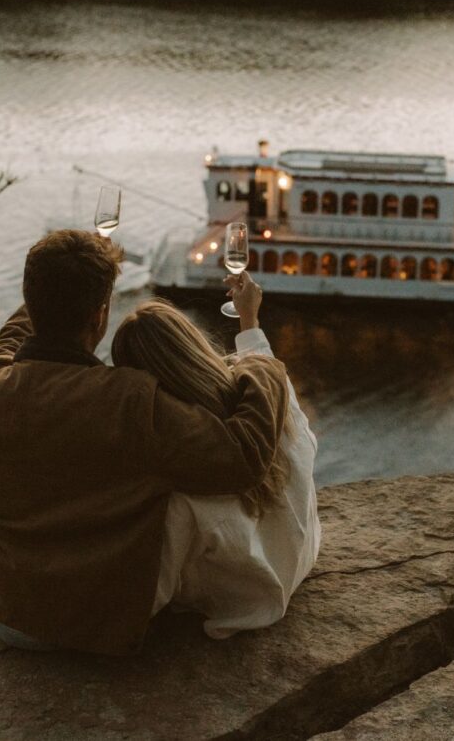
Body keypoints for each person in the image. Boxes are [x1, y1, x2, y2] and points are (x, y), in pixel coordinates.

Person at [0, 230, 289, 655]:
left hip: (6, 615)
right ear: (100, 316)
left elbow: (9, 342)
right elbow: (244, 455)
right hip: (95, 625)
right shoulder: (130, 403)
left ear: (31, 300)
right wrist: (258, 356)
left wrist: (55, 286)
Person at [112, 272, 320, 638]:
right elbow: (262, 362)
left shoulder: (181, 481)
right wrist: (249, 319)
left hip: (246, 607)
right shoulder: (270, 396)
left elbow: (152, 593)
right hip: (302, 556)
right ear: (193, 346)